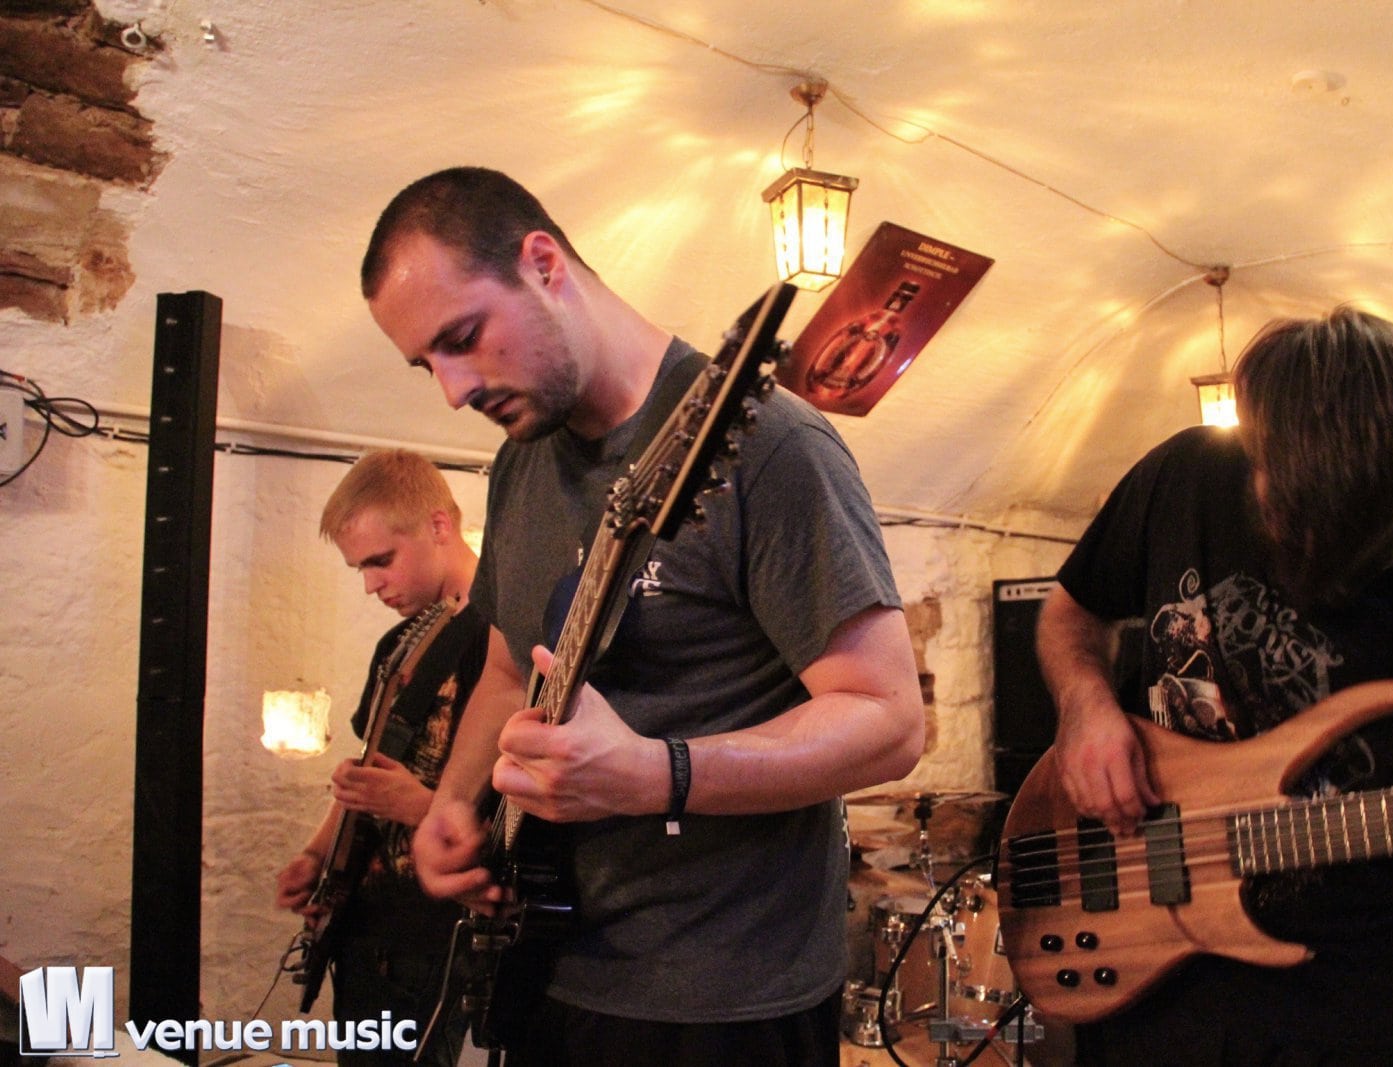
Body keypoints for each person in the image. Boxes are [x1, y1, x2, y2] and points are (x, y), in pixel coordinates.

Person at [358, 166, 924, 1067]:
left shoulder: (774, 447)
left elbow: (888, 721)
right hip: (547, 961)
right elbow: (507, 668)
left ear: (543, 263)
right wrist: (455, 806)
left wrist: (657, 774)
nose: (453, 390)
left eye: (461, 339)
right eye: (429, 363)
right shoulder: (522, 462)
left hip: (723, 999)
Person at [1034, 306, 1393, 1066]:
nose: (1263, 494)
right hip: (1148, 1003)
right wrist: (1085, 707)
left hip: (1353, 1027)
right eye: (1265, 463)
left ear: (1383, 499)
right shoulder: (1189, 473)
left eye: (1295, 496)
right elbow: (1072, 610)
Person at [275, 449, 488, 1067]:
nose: (370, 585)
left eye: (380, 561)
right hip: (369, 920)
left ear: (439, 526)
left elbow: (525, 801)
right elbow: (371, 768)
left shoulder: (499, 639)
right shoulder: (399, 641)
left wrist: (423, 807)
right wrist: (319, 854)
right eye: (359, 567)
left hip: (443, 930)